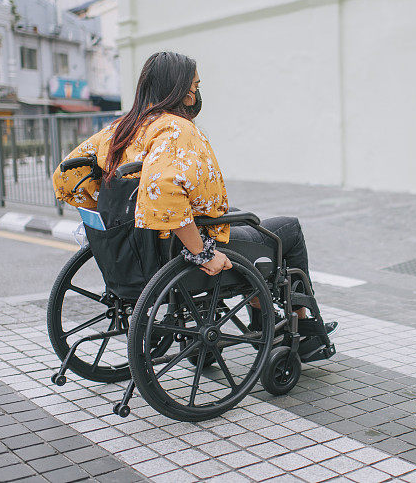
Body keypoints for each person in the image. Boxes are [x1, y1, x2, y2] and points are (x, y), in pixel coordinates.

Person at [52, 51, 336, 341]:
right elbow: (163, 188)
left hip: (139, 247)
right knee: (287, 231)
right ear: (180, 90)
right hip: (181, 247)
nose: (197, 95)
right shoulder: (175, 128)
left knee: (249, 224)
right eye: (195, 87)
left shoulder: (120, 129)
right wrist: (202, 253)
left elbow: (66, 176)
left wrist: (118, 216)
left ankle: (262, 314)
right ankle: (303, 327)